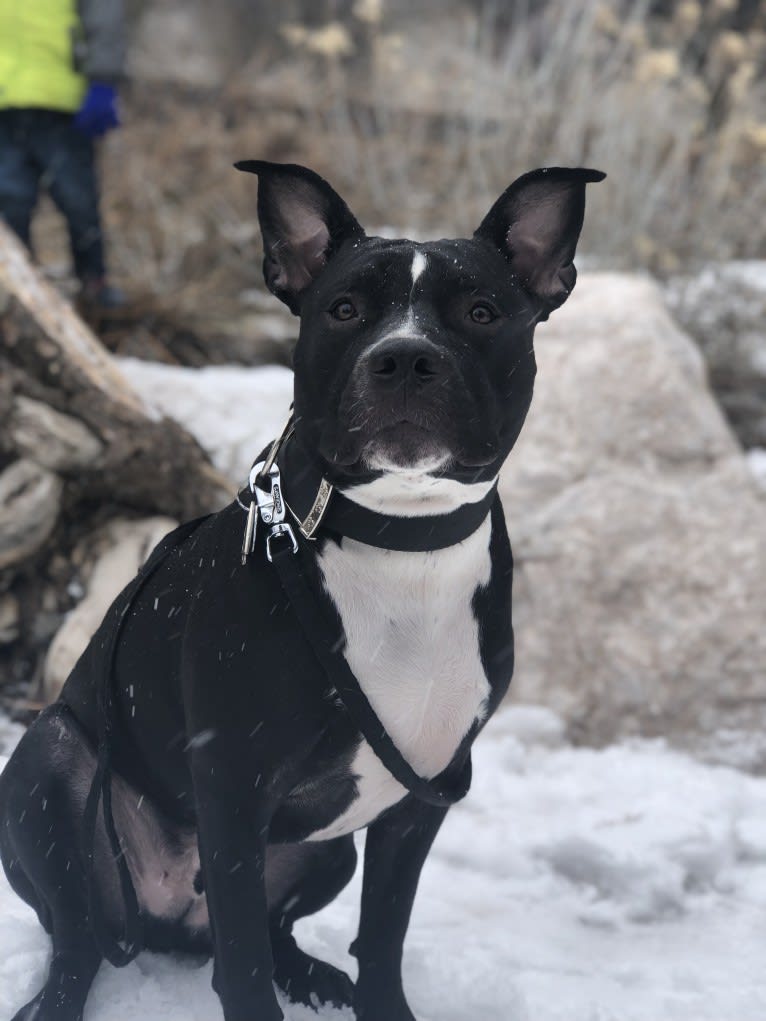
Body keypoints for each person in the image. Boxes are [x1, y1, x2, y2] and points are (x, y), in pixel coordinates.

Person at [0, 0, 126, 308]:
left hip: (63, 99)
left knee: (78, 201)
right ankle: (18, 296)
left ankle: (94, 288)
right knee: (9, 205)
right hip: (5, 102)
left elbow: (104, 15)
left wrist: (102, 78)